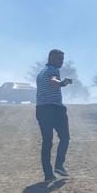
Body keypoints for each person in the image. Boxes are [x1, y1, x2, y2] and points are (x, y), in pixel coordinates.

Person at [35, 49, 73, 182]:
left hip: (41, 109)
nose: (61, 62)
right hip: (54, 108)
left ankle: (48, 175)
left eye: (62, 59)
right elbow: (53, 81)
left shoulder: (41, 72)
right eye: (59, 59)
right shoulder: (52, 70)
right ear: (51, 58)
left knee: (47, 142)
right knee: (65, 138)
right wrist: (63, 83)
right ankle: (59, 165)